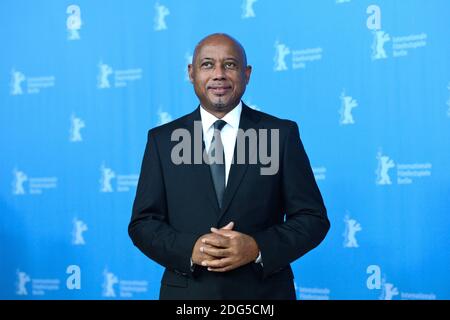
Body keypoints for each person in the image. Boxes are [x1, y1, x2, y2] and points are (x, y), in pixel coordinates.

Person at [128, 33, 330, 300]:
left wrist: (257, 247)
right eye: (208, 64)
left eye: (230, 65)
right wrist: (190, 249)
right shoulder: (162, 140)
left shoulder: (280, 134)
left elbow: (312, 218)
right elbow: (143, 223)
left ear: (247, 74)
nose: (219, 74)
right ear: (191, 73)